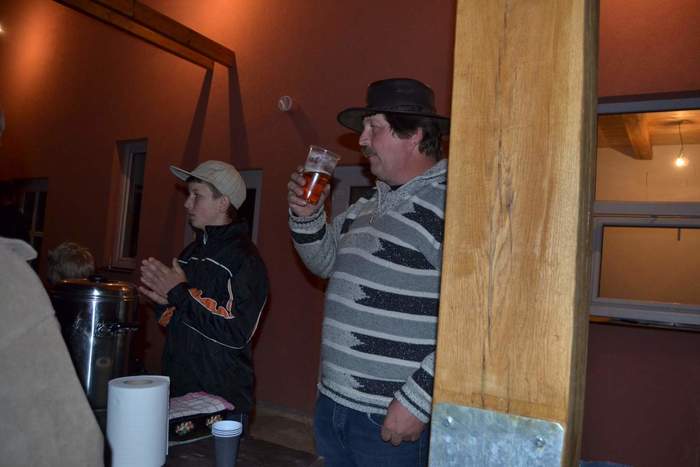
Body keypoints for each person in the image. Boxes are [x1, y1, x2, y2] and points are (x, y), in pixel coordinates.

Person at [287, 78, 449, 466]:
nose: (361, 140)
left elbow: (477, 320)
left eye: (373, 127)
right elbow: (323, 262)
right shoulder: (366, 207)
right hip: (333, 406)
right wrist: (307, 216)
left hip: (391, 417)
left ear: (414, 135)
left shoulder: (449, 206)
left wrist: (420, 399)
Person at [138, 160, 269, 433]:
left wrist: (178, 293)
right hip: (180, 388)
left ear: (223, 203)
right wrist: (164, 305)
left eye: (197, 195)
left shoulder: (245, 261)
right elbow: (180, 318)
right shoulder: (190, 254)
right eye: (189, 195)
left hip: (223, 397)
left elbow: (236, 332)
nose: (187, 204)